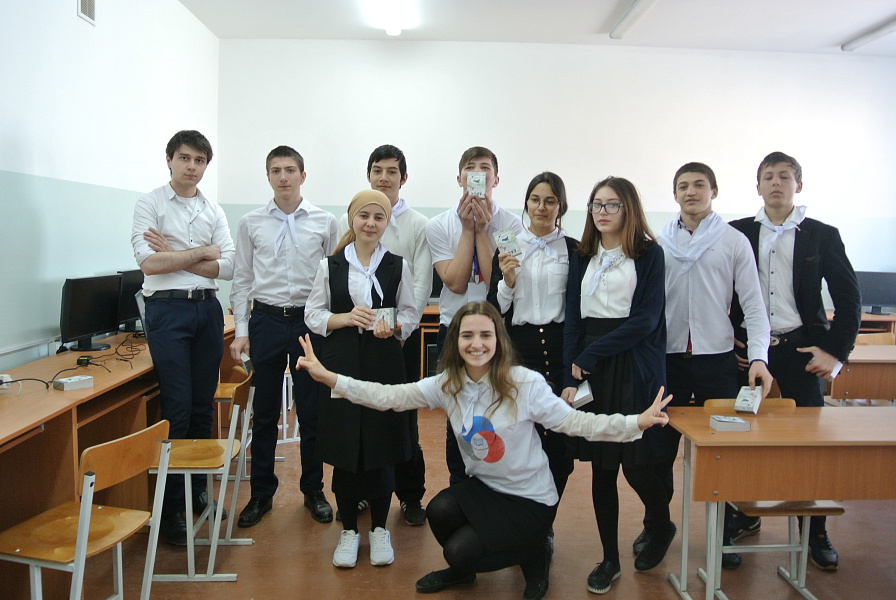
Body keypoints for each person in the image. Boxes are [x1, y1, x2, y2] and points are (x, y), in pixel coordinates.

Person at [295, 301, 673, 600]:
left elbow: (577, 423)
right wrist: (329, 377)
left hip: (529, 498)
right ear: (456, 342)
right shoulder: (448, 383)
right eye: (467, 335)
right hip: (486, 487)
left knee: (459, 550)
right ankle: (464, 574)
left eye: (485, 335)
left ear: (498, 340)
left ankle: (533, 555)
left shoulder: (524, 383)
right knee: (439, 510)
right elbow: (388, 396)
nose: (476, 344)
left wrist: (635, 423)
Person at [728, 151, 861, 570]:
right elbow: (716, 290)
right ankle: (740, 517)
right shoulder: (736, 232)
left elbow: (849, 299)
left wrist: (835, 353)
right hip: (748, 352)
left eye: (784, 176)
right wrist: (729, 339)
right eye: (768, 176)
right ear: (757, 186)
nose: (776, 183)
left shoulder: (822, 235)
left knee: (810, 445)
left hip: (801, 349)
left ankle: (814, 531)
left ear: (798, 185)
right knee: (738, 439)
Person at [655, 162, 773, 569]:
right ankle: (657, 526)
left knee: (723, 452)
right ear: (674, 195)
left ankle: (723, 535)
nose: (691, 192)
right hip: (667, 361)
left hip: (717, 362)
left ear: (714, 191)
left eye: (699, 185)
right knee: (657, 453)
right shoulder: (658, 242)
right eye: (683, 186)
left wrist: (758, 356)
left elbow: (754, 304)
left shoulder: (733, 241)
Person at [559, 176, 672, 593]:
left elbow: (646, 320)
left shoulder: (649, 253)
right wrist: (570, 372)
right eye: (596, 205)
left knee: (637, 465)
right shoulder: (581, 255)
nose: (602, 212)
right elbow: (573, 318)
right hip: (592, 367)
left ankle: (661, 523)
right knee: (602, 469)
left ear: (629, 209)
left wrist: (591, 355)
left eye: (612, 204)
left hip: (633, 363)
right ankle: (610, 558)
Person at [130, 130, 235, 545]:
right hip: (167, 311)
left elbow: (228, 267)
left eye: (199, 160)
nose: (192, 166)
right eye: (185, 158)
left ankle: (198, 493)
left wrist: (175, 253)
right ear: (170, 160)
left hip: (207, 310)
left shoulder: (213, 209)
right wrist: (201, 252)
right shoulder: (150, 203)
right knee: (176, 407)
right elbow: (149, 263)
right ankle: (172, 507)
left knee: (201, 405)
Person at [304, 189, 418, 568]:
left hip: (385, 364)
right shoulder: (331, 266)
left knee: (383, 444)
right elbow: (313, 315)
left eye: (379, 217)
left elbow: (410, 313)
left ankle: (380, 529)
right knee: (345, 445)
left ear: (387, 223)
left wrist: (394, 326)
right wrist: (345, 318)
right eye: (364, 216)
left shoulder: (398, 265)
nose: (371, 223)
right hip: (340, 364)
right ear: (352, 219)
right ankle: (350, 530)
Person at [229, 145, 338, 528]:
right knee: (264, 413)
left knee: (311, 411)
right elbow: (242, 278)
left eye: (290, 170)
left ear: (302, 176)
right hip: (266, 321)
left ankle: (313, 490)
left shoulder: (325, 221)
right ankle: (261, 494)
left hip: (308, 322)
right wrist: (242, 330)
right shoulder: (251, 222)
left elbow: (332, 278)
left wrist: (329, 325)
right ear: (268, 176)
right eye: (275, 170)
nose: (283, 177)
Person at [337, 144, 432, 526]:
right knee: (360, 415)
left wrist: (403, 329)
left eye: (392, 171)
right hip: (357, 342)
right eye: (377, 170)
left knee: (402, 417)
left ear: (403, 178)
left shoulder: (417, 225)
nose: (384, 177)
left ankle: (410, 496)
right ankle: (362, 492)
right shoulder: (352, 220)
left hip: (400, 340)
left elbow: (421, 282)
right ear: (368, 175)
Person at [486, 172, 576, 549]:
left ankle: (543, 524)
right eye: (535, 199)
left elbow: (578, 308)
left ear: (560, 206)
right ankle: (519, 520)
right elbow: (494, 309)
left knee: (560, 450)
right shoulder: (507, 245)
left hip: (560, 352)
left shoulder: (574, 249)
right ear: (526, 203)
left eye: (550, 200)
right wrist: (507, 281)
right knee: (521, 442)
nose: (541, 207)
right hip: (519, 352)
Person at [426, 146, 524, 485]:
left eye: (485, 168)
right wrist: (467, 230)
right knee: (457, 414)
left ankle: (495, 485)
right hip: (454, 330)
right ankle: (460, 485)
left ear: (495, 179)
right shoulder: (438, 225)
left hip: (497, 331)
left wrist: (484, 230)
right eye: (470, 168)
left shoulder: (511, 224)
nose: (477, 173)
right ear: (460, 179)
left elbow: (500, 281)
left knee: (498, 411)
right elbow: (453, 283)